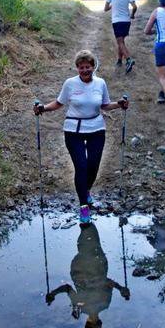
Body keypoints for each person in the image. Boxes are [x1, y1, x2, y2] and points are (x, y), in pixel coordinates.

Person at [33, 50, 129, 224]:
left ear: (93, 67)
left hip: (96, 129)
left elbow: (105, 105)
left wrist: (119, 104)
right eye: (81, 67)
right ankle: (83, 206)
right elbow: (59, 103)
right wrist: (43, 108)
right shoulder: (70, 83)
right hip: (73, 130)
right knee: (81, 167)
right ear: (77, 68)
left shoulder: (100, 83)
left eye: (88, 67)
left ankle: (86, 190)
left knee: (93, 167)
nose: (85, 70)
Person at [45, 222, 130, 328]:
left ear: (100, 323)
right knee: (86, 233)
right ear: (86, 323)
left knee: (89, 231)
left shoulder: (104, 304)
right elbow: (67, 288)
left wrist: (121, 289)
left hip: (97, 264)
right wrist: (53, 294)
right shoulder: (80, 307)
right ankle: (84, 216)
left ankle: (85, 215)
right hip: (80, 267)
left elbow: (108, 282)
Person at [104, 0, 137, 73]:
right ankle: (119, 60)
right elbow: (135, 7)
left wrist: (112, 5)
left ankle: (129, 60)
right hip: (127, 21)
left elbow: (105, 9)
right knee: (121, 41)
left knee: (120, 42)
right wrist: (132, 15)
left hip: (117, 21)